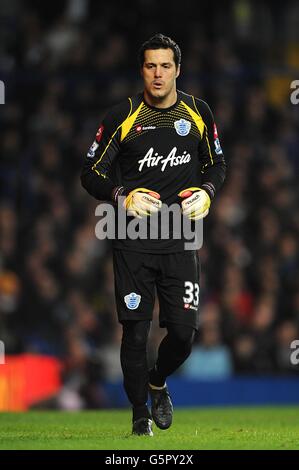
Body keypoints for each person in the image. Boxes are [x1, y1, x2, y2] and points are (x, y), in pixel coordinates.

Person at [81, 33, 226, 436]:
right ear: (141, 70)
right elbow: (90, 172)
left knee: (182, 334)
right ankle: (139, 414)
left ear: (178, 69)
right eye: (150, 66)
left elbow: (217, 165)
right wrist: (120, 194)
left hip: (180, 238)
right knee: (136, 331)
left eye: (165, 66)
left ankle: (157, 380)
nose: (158, 73)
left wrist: (208, 191)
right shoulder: (122, 116)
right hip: (132, 240)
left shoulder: (198, 112)